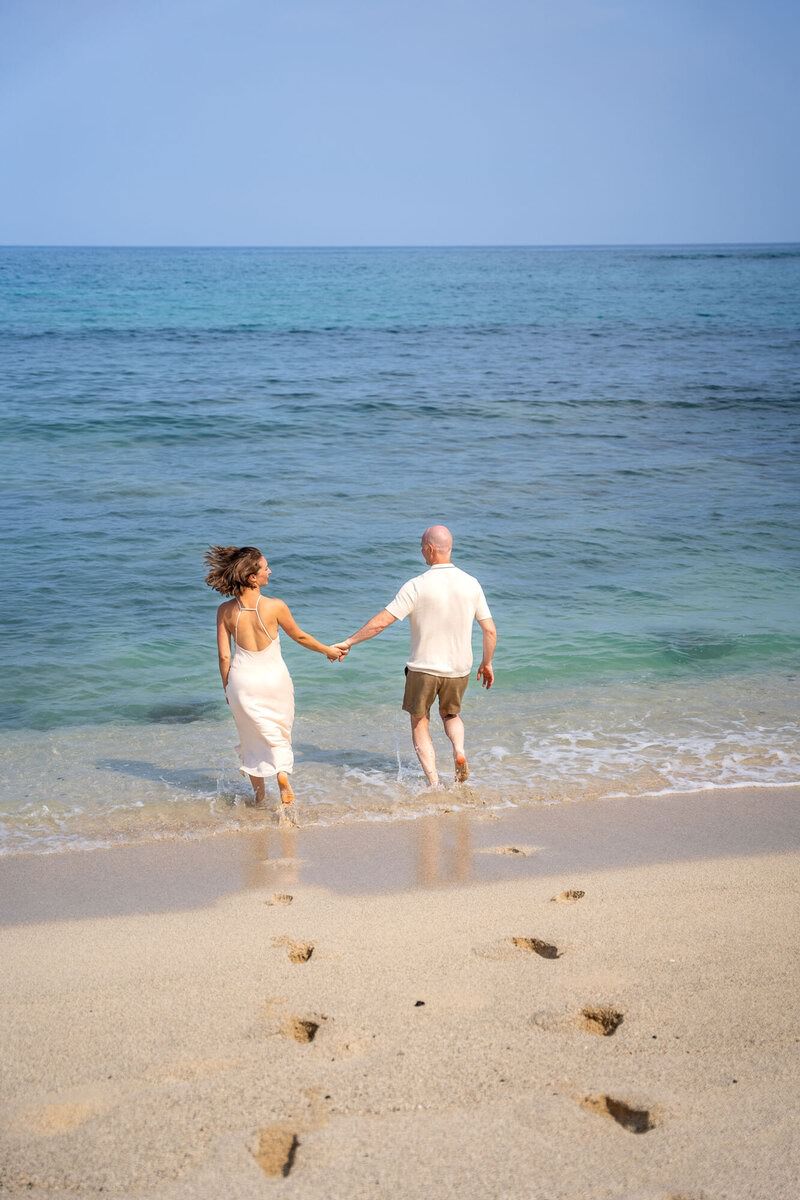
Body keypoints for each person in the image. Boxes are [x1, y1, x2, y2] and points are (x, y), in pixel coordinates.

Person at [339, 525, 496, 788]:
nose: (422, 551)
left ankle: (434, 783)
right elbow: (489, 630)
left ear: (430, 549)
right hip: (459, 669)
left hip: (423, 667)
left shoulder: (417, 585)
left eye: (422, 547)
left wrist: (350, 641)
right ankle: (459, 750)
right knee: (451, 715)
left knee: (420, 720)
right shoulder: (471, 583)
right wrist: (486, 662)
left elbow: (382, 622)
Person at [204, 545, 346, 811]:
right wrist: (328, 650)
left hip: (242, 681)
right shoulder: (275, 606)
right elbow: (300, 636)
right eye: (265, 567)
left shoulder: (224, 611)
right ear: (252, 578)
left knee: (250, 737)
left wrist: (227, 689)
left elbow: (224, 657)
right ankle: (281, 773)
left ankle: (259, 798)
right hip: (274, 679)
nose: (270, 571)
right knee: (279, 733)